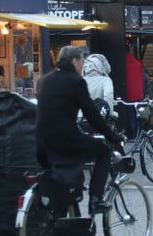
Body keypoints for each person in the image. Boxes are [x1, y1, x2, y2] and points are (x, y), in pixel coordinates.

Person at [35, 45, 124, 216]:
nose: (83, 66)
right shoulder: (76, 82)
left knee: (65, 182)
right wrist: (112, 136)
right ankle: (96, 200)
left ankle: (66, 220)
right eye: (82, 62)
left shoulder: (43, 80)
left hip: (42, 143)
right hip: (66, 139)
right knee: (103, 152)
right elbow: (92, 115)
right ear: (75, 61)